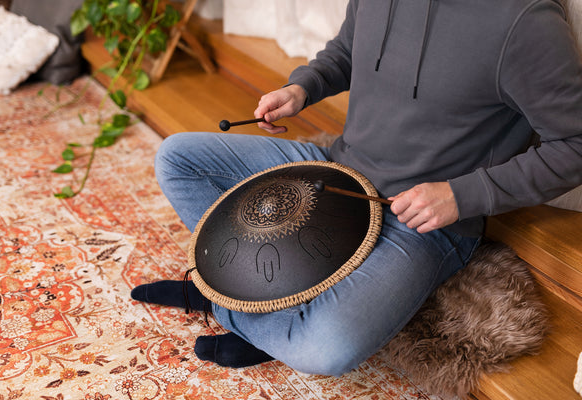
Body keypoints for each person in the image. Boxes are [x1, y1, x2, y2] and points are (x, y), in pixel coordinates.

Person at [131, 0, 582, 376]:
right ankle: (251, 296)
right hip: (336, 169)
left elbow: (575, 144)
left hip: (420, 221)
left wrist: (463, 195)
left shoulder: (525, 22)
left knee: (322, 349)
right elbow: (348, 50)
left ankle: (224, 297)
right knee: (177, 158)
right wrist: (303, 87)